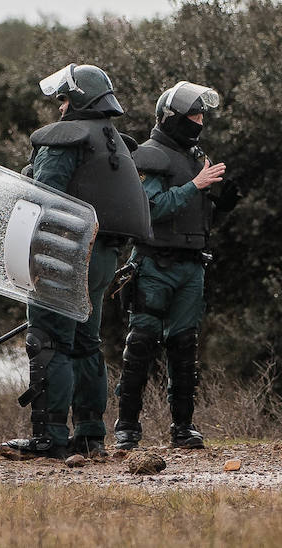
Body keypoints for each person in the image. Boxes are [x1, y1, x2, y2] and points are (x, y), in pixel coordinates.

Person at [0, 64, 153, 459]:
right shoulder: (114, 141)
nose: (61, 107)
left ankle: (49, 437)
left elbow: (43, 198)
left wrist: (29, 176)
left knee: (48, 342)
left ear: (78, 99)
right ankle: (89, 435)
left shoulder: (66, 137)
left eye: (64, 99)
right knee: (86, 344)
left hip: (64, 253)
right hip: (102, 257)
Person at [115, 80, 239, 450]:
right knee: (141, 344)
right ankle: (126, 427)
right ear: (170, 118)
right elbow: (151, 210)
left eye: (202, 114)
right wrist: (197, 185)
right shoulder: (151, 156)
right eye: (193, 115)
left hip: (192, 266)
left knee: (185, 346)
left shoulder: (194, 156)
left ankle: (183, 427)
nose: (199, 121)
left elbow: (193, 214)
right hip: (154, 264)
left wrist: (221, 203)